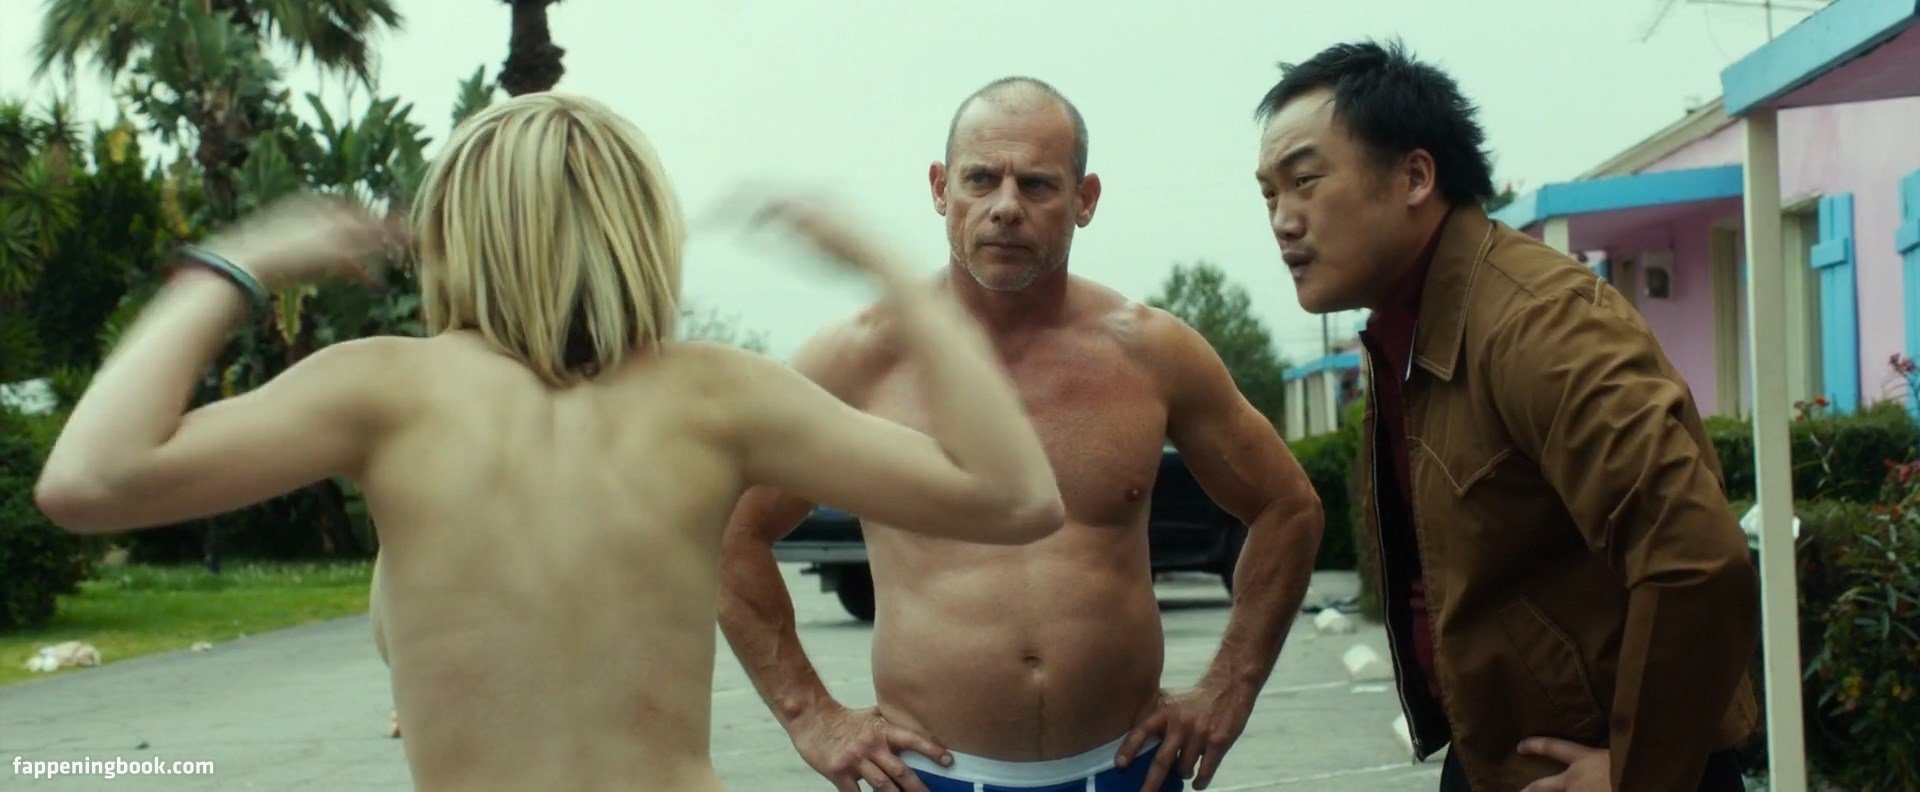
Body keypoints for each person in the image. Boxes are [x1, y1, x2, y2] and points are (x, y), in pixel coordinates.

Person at [32, 92, 1068, 791]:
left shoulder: (384, 391)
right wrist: (891, 277)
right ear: (639, 230)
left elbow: (88, 480)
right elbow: (1017, 498)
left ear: (459, 229)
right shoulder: (718, 395)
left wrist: (238, 265)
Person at [718, 76, 1325, 792]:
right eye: (981, 178)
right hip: (930, 776)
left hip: (1126, 770)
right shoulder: (858, 358)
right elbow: (728, 529)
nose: (1006, 206)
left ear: (1084, 199)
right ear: (941, 188)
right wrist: (812, 716)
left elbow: (1288, 507)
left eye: (1037, 184)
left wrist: (1230, 686)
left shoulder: (1150, 352)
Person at [1250, 40, 1760, 791]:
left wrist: (1638, 772)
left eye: (1304, 181)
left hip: (1612, 762)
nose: (1283, 221)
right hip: (1498, 756)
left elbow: (1695, 557)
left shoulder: (1537, 322)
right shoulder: (1408, 330)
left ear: (1415, 176)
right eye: (1268, 195)